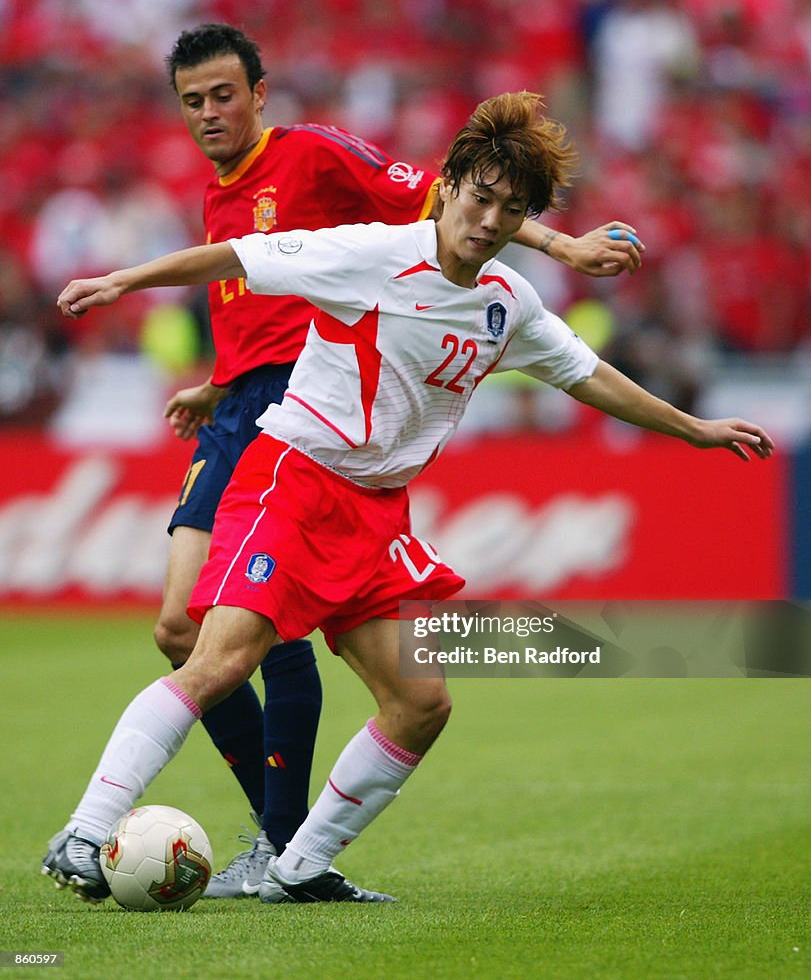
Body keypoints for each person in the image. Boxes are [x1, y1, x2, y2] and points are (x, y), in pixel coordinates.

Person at [45, 90, 772, 903]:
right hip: (293, 479)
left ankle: (297, 869)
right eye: (480, 196)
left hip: (374, 515)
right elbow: (236, 258)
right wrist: (122, 280)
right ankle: (84, 829)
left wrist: (693, 428)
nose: (491, 220)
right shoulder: (372, 252)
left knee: (420, 702)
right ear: (450, 183)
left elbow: (589, 376)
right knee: (222, 659)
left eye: (512, 208)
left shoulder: (507, 304)